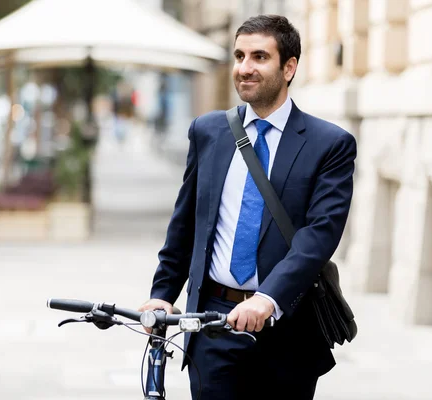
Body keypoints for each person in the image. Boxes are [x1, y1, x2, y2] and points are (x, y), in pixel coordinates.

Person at [138, 14, 357, 400]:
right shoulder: (207, 131)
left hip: (287, 328)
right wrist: (163, 292)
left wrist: (267, 298)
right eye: (239, 56)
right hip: (212, 325)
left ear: (289, 68)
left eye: (259, 57)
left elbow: (318, 236)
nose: (244, 68)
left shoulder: (330, 144)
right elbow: (188, 222)